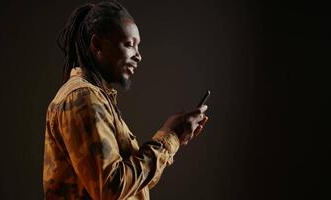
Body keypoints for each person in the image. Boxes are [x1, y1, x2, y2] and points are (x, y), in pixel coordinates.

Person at [43, 0, 209, 199]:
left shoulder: (97, 97)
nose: (138, 56)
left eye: (138, 46)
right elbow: (112, 188)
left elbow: (131, 187)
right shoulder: (82, 97)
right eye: (129, 44)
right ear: (97, 44)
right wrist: (169, 137)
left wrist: (176, 138)